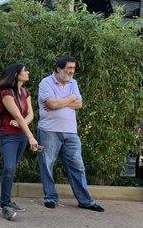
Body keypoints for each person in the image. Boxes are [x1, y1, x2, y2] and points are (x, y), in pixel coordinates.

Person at [37, 55, 104, 212]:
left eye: (74, 68)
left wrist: (62, 101)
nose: (72, 71)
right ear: (59, 69)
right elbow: (51, 104)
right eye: (69, 68)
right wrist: (70, 98)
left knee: (77, 166)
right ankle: (50, 197)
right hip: (49, 130)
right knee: (47, 164)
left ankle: (85, 201)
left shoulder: (73, 83)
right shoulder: (45, 83)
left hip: (71, 132)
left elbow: (79, 104)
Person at [0, 63, 40, 221]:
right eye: (25, 70)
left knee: (12, 169)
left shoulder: (25, 92)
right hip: (9, 136)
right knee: (8, 167)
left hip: (21, 135)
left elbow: (30, 115)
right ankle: (5, 205)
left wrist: (23, 125)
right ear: (16, 74)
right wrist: (31, 137)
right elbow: (19, 116)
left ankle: (7, 200)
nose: (27, 72)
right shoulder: (6, 92)